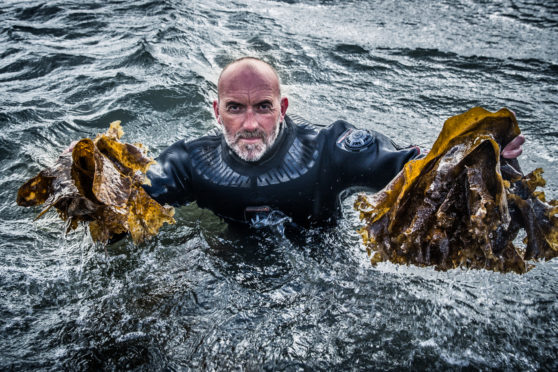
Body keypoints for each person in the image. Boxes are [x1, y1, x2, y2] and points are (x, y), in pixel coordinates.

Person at [142, 57, 525, 228]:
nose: (250, 123)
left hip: (319, 269)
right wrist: (89, 171)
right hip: (227, 264)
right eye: (234, 108)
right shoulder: (192, 160)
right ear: (216, 111)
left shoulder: (328, 149)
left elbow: (409, 167)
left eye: (263, 107)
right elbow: (131, 196)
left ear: (283, 108)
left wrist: (482, 160)